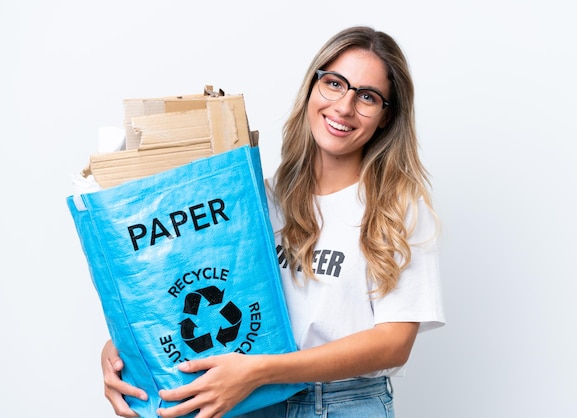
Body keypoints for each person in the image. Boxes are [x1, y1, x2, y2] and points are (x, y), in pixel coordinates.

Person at [101, 25, 445, 418]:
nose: (345, 107)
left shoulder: (396, 209)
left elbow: (393, 343)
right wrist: (122, 350)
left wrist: (261, 370)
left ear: (386, 117)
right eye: (334, 84)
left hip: (342, 404)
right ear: (313, 88)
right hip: (248, 401)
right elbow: (192, 286)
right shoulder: (256, 199)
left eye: (367, 96)